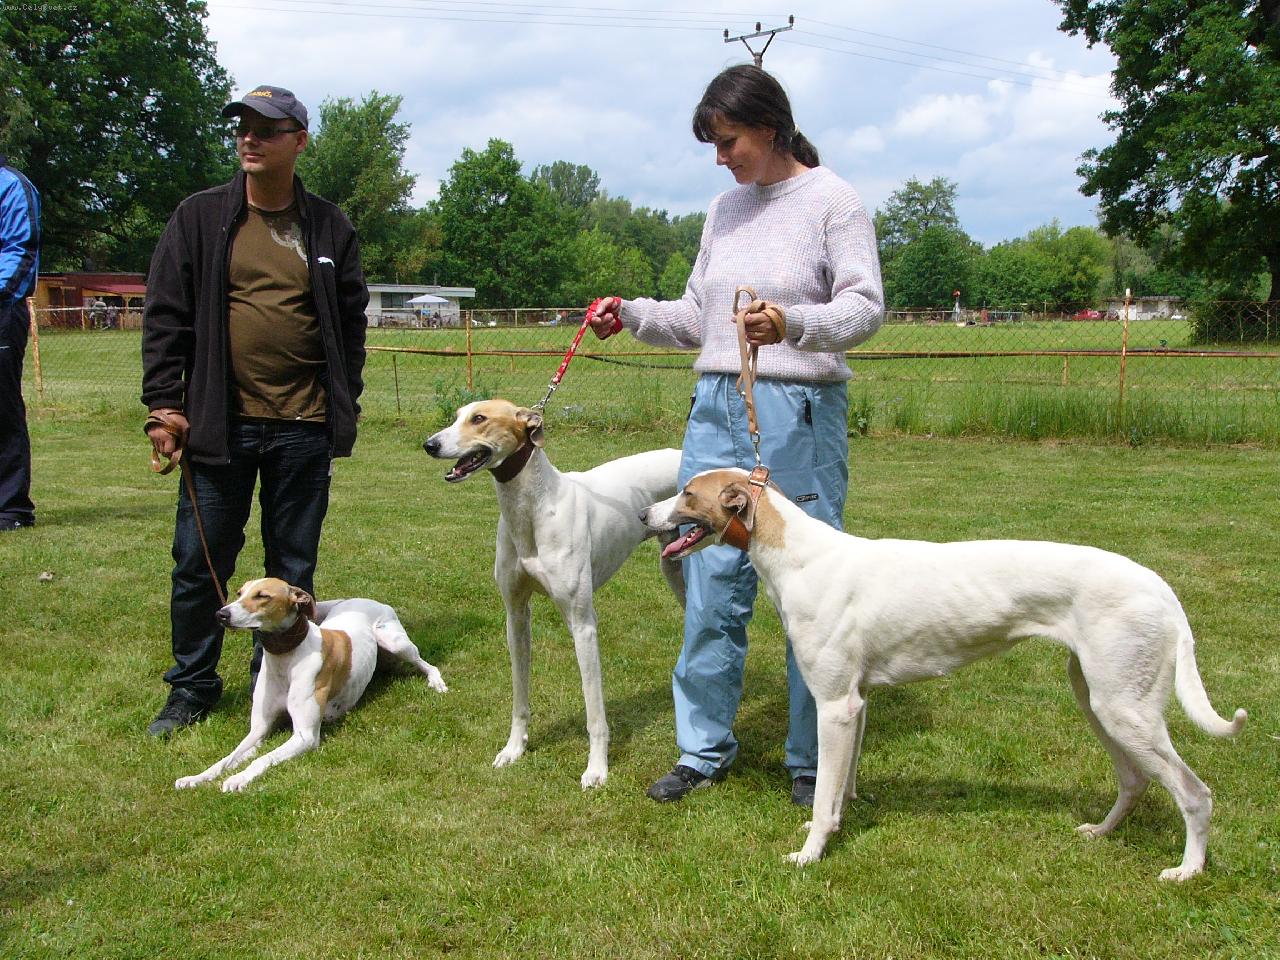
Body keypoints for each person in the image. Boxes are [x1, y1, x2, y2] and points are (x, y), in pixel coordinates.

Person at [586, 64, 884, 806]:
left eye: (729, 142)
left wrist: (793, 322)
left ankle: (812, 760)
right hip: (716, 407)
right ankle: (702, 750)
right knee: (710, 581)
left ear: (770, 128)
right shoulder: (723, 211)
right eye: (714, 146)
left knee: (810, 587)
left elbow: (866, 308)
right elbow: (698, 317)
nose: (721, 158)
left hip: (797, 411)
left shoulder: (834, 201)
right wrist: (633, 314)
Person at [141, 84, 368, 736]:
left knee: (291, 568)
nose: (250, 138)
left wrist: (342, 400)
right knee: (199, 563)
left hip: (304, 427)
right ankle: (190, 689)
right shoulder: (200, 217)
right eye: (242, 126)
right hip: (221, 426)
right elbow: (165, 315)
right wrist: (164, 404)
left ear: (299, 141)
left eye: (266, 129)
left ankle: (273, 685)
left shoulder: (330, 227)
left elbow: (350, 324)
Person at [0, 153, 41, 533]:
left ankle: (11, 507)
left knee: (2, 407)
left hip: (3, 308)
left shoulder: (12, 185)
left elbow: (21, 250)